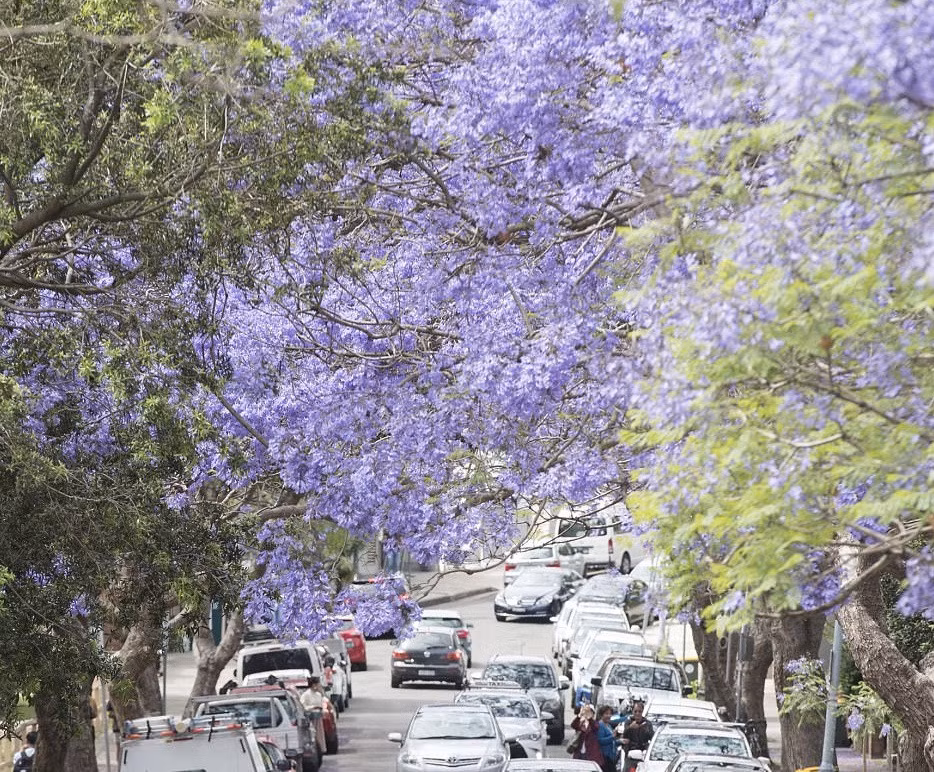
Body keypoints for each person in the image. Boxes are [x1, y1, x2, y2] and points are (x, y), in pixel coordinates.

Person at [620, 697, 654, 772]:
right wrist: (630, 727)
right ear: (632, 711)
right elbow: (624, 736)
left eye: (639, 711)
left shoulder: (647, 723)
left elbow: (652, 738)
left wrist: (646, 730)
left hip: (643, 755)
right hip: (630, 755)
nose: (637, 714)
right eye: (635, 711)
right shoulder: (628, 722)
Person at [596, 705, 619, 772]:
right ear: (601, 715)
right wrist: (612, 737)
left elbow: (613, 741)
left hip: (611, 757)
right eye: (606, 714)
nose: (609, 716)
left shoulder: (608, 725)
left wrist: (620, 741)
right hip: (604, 757)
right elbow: (600, 741)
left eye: (610, 714)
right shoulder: (600, 725)